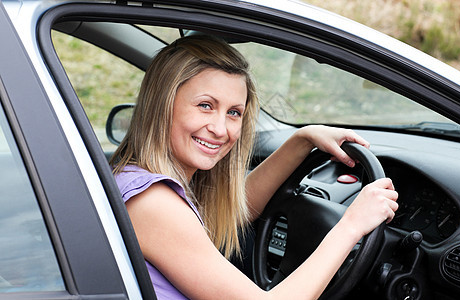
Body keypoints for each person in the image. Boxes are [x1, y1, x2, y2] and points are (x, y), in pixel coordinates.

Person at [110, 34, 398, 299]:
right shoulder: (153, 203)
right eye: (205, 106)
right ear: (162, 105)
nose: (221, 129)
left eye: (234, 112)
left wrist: (302, 140)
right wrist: (351, 226)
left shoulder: (139, 181)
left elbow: (231, 211)